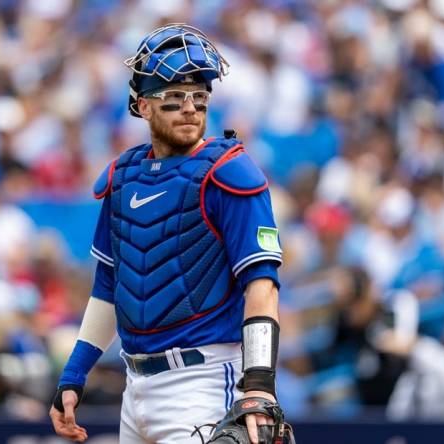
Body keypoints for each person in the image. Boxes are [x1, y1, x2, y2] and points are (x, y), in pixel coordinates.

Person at [49, 24, 285, 443]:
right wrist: (74, 374)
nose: (191, 108)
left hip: (204, 378)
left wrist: (259, 384)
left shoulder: (230, 173)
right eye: (174, 99)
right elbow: (109, 286)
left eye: (199, 98)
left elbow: (262, 284)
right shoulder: (123, 176)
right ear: (143, 106)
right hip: (134, 384)